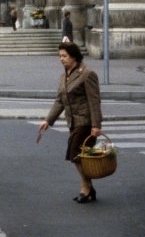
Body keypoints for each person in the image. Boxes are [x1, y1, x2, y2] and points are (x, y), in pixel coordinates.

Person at [38, 42, 103, 204]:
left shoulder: (87, 74)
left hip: (85, 122)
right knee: (79, 156)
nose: (61, 59)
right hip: (73, 122)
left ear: (74, 56)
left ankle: (85, 187)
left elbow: (94, 101)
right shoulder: (64, 76)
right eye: (60, 56)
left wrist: (96, 126)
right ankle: (89, 187)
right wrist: (48, 120)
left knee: (74, 153)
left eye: (64, 56)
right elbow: (60, 101)